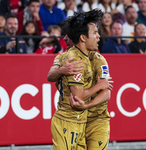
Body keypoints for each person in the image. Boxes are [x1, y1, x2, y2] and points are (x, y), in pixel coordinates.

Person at [49, 9, 112, 149]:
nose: (99, 37)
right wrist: (98, 85)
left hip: (95, 119)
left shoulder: (98, 60)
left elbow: (107, 92)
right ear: (82, 37)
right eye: (95, 33)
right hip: (71, 119)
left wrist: (87, 105)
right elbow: (50, 76)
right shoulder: (72, 59)